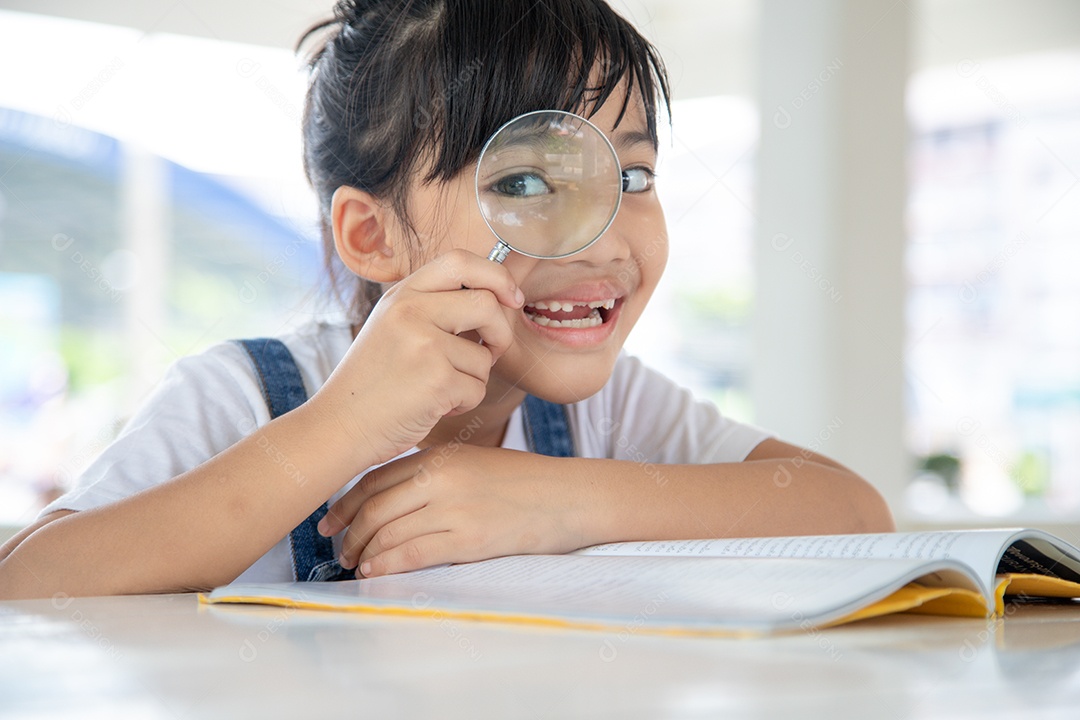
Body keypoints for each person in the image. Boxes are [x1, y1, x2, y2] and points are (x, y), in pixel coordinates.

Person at [0, 0, 892, 599]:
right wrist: (340, 428)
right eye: (533, 181)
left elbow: (850, 510)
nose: (608, 234)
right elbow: (29, 585)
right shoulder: (248, 394)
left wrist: (562, 499)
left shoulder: (612, 417)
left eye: (633, 174)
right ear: (370, 236)